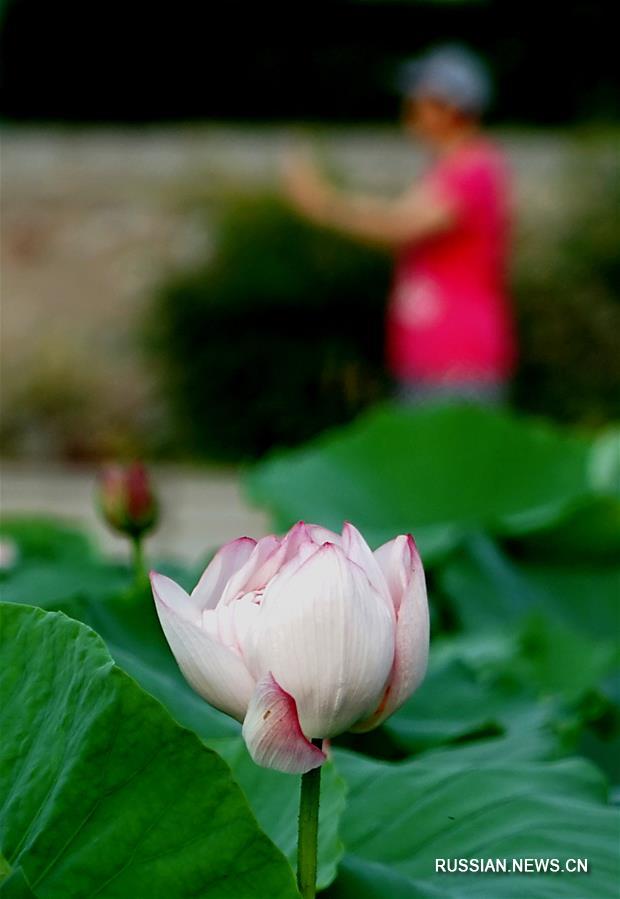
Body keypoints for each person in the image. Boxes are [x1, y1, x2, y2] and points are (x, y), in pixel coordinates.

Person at [283, 45, 516, 405]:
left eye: (419, 100)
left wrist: (324, 204)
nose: (409, 109)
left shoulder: (474, 170)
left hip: (457, 361)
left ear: (450, 107)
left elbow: (399, 224)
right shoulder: (448, 170)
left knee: (450, 461)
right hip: (431, 358)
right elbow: (396, 215)